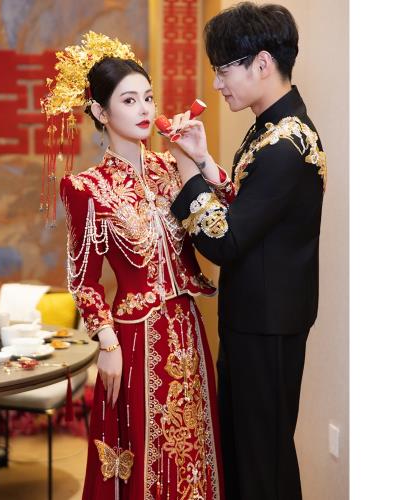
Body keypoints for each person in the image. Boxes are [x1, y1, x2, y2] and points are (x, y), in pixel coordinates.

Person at [43, 32, 226, 499]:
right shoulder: (86, 188)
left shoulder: (173, 168)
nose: (144, 109)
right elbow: (83, 279)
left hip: (186, 328)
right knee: (146, 450)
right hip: (136, 338)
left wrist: (201, 158)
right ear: (101, 112)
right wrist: (106, 341)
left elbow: (228, 217)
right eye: (129, 100)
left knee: (195, 447)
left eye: (148, 97)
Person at [165, 3, 327, 500]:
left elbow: (225, 240)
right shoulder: (271, 130)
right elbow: (249, 205)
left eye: (222, 70)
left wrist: (184, 170)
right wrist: (204, 161)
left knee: (262, 462)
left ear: (261, 63)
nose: (216, 84)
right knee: (247, 452)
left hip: (268, 322)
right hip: (255, 316)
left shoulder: (286, 145)